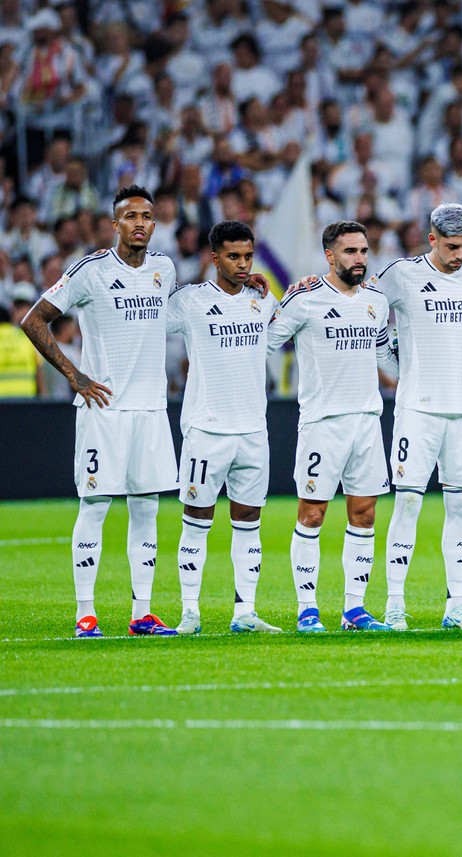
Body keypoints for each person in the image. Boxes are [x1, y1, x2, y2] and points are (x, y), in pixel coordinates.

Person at [20, 186, 181, 637]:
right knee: (94, 505)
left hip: (150, 410)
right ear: (115, 224)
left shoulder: (164, 270)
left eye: (147, 216)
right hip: (104, 409)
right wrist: (74, 375)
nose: (140, 223)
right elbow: (33, 320)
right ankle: (85, 614)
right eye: (130, 216)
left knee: (146, 509)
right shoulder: (92, 271)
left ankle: (142, 613)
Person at [265, 220, 397, 633]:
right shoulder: (304, 297)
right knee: (313, 514)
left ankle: (354, 610)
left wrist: (416, 372)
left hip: (367, 422)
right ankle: (307, 609)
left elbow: (384, 357)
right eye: (350, 252)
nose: (359, 259)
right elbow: (267, 341)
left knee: (364, 512)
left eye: (363, 251)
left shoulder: (376, 299)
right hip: (322, 424)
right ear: (330, 255)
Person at [373, 204, 462, 632]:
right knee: (407, 502)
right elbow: (363, 312)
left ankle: (457, 605)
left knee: (461, 506)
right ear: (432, 239)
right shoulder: (400, 275)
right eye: (452, 247)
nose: (461, 255)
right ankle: (394, 605)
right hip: (418, 410)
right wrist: (395, 366)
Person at [165, 221, 280, 635]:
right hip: (207, 430)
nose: (242, 264)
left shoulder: (262, 301)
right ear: (214, 258)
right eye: (233, 256)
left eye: (248, 256)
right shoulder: (190, 301)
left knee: (249, 520)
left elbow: (286, 325)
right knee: (196, 519)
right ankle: (190, 612)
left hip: (253, 430)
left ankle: (244, 612)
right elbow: (145, 327)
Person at [0, 285, 42, 398]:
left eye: (25, 305)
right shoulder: (2, 333)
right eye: (18, 305)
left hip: (27, 402)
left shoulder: (36, 335)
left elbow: (39, 372)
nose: (22, 310)